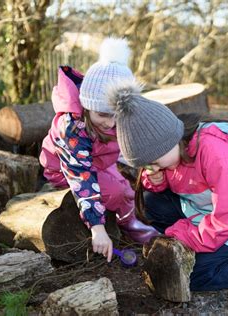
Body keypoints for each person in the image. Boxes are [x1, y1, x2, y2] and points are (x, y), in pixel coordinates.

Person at [106, 80, 228, 291]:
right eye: (146, 166)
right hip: (206, 206)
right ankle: (204, 243)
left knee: (194, 275)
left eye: (154, 163)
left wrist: (185, 235)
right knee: (152, 204)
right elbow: (175, 176)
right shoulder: (172, 150)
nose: (151, 169)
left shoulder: (217, 153)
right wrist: (157, 179)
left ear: (171, 140)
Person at [39, 38, 158, 261]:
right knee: (115, 192)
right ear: (87, 105)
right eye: (102, 114)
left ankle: (130, 219)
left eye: (117, 115)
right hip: (67, 168)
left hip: (99, 159)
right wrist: (97, 228)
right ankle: (126, 225)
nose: (110, 123)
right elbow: (81, 176)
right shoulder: (72, 127)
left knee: (127, 188)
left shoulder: (113, 118)